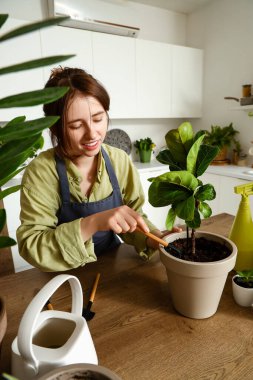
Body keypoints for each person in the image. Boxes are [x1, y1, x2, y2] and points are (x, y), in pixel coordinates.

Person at [17, 67, 179, 272]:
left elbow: (132, 216)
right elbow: (32, 244)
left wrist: (154, 238)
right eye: (76, 126)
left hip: (112, 265)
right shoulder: (41, 171)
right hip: (61, 274)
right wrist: (93, 223)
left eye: (98, 119)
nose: (92, 134)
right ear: (55, 128)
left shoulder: (119, 160)